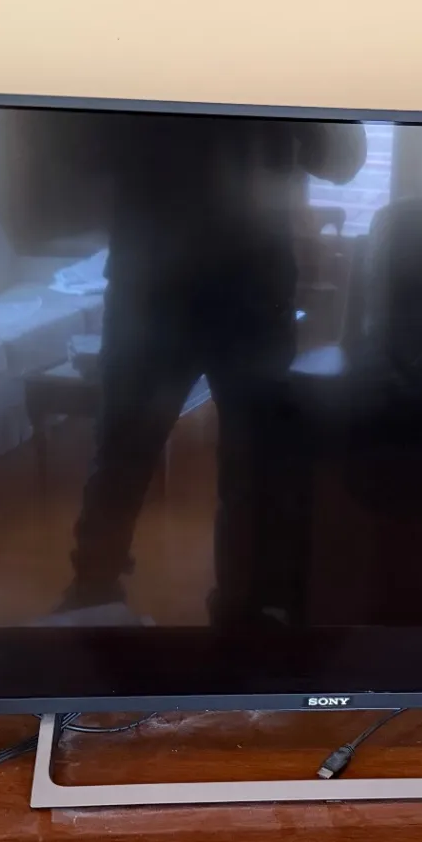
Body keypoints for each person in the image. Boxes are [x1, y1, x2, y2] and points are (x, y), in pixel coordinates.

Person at [60, 114, 367, 622]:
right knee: (133, 454)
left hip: (210, 286)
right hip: (184, 286)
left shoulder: (286, 73)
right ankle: (102, 591)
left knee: (234, 464)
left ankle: (231, 605)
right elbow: (79, 153)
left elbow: (344, 160)